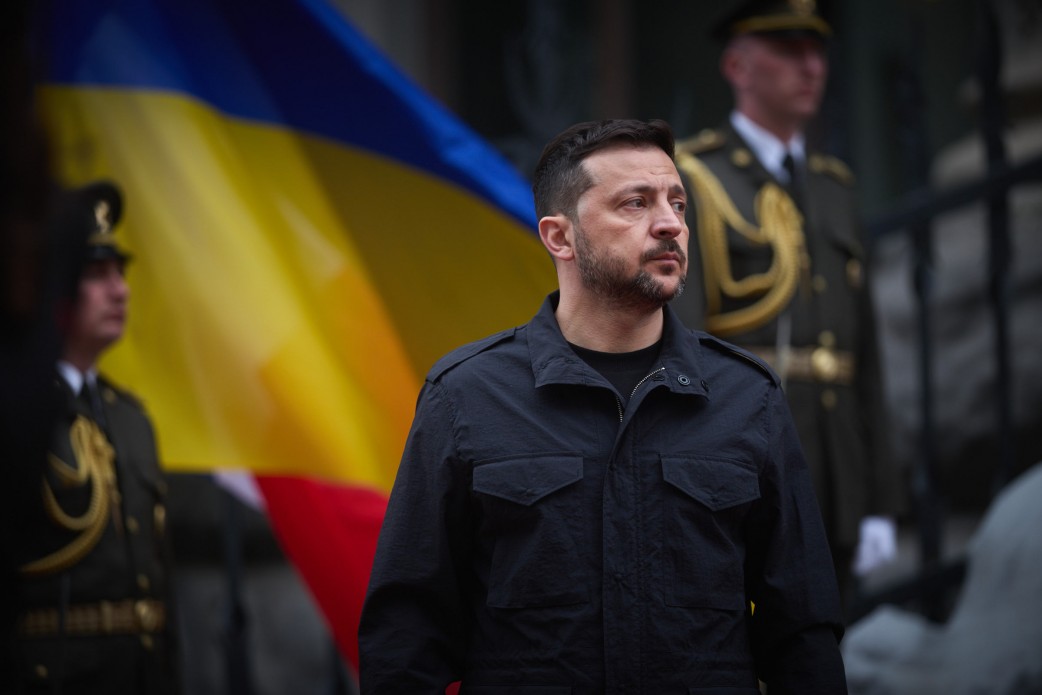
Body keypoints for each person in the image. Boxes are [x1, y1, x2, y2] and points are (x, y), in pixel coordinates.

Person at [359, 119, 846, 693]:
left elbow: (803, 634)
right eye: (635, 203)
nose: (670, 223)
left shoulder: (748, 396)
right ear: (559, 237)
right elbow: (406, 637)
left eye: (677, 203)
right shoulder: (465, 395)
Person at [671, 0, 903, 607]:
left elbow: (864, 354)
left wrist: (880, 497)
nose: (812, 67)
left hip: (839, 467)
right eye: (788, 49)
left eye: (817, 50)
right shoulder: (696, 178)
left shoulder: (833, 185)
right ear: (737, 66)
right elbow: (685, 341)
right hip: (749, 458)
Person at [12, 181, 180, 694]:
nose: (121, 290)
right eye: (97, 274)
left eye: (121, 272)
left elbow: (162, 589)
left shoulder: (132, 418)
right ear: (56, 286)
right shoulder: (17, 411)